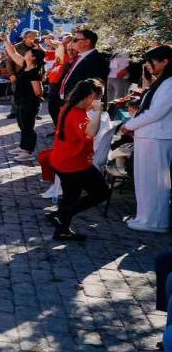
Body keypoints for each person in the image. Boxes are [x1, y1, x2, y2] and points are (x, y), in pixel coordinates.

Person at [46, 79, 110, 241]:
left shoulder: (67, 107)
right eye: (99, 97)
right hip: (74, 164)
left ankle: (62, 227)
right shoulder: (77, 114)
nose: (100, 101)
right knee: (102, 192)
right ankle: (63, 215)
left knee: (71, 196)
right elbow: (90, 133)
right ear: (92, 96)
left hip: (62, 160)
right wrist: (97, 113)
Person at [122, 45, 171, 233]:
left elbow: (156, 113)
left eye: (152, 61)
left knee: (155, 182)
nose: (148, 65)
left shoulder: (169, 82)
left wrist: (129, 126)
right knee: (143, 180)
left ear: (165, 61)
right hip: (148, 135)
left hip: (158, 137)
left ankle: (155, 221)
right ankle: (144, 216)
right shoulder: (162, 81)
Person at [3, 32, 45, 162]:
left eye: (28, 53)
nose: (25, 53)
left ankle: (28, 151)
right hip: (21, 101)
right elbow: (13, 53)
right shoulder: (25, 65)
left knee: (28, 127)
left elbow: (38, 91)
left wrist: (31, 99)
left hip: (29, 103)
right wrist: (6, 39)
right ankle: (22, 147)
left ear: (32, 57)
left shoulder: (34, 72)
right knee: (22, 125)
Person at [59, 29, 109, 101]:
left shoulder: (95, 59)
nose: (72, 42)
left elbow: (93, 86)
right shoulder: (80, 57)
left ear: (87, 42)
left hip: (81, 104)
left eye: (75, 40)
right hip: (70, 101)